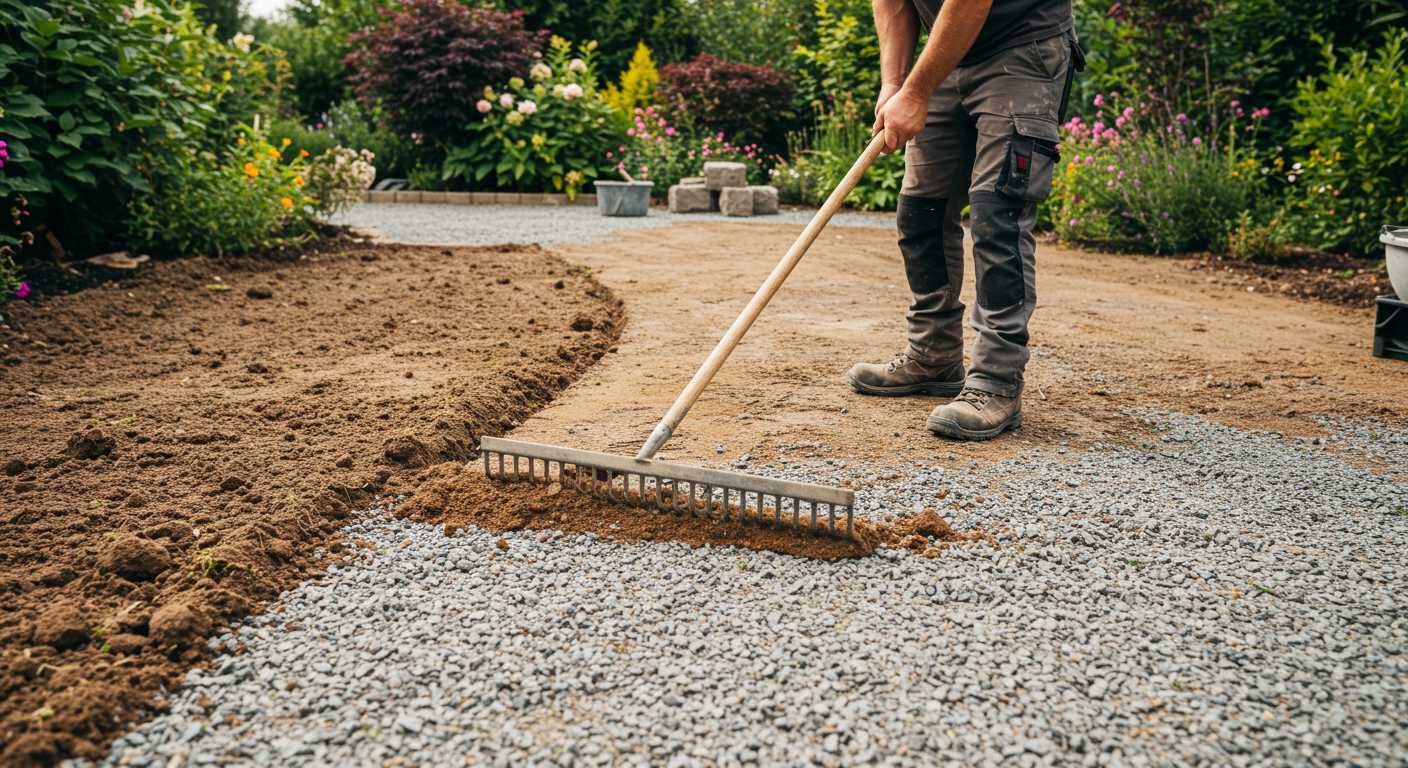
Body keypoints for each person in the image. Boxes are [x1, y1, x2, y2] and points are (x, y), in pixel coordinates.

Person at [846, 0, 1083, 440]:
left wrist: (915, 93)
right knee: (922, 210)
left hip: (1021, 46)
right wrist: (894, 83)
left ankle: (997, 380)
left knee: (998, 214)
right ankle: (933, 353)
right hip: (945, 51)